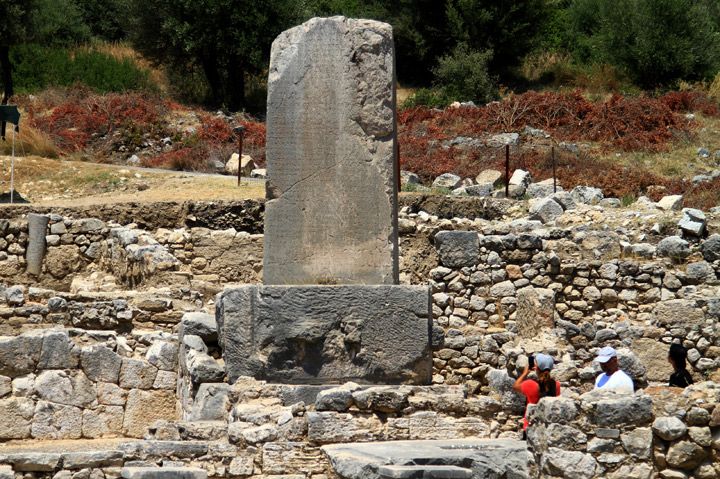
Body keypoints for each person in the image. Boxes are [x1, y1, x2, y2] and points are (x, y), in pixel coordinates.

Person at [513, 353, 561, 431]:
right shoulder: (557, 385)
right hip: (548, 428)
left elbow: (515, 386)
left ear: (536, 367)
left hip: (531, 428)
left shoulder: (530, 384)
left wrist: (525, 372)